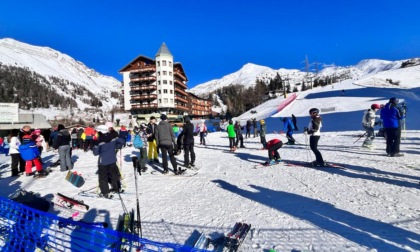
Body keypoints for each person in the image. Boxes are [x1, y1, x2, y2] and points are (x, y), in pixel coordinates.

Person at [93, 132, 125, 198]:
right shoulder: (112, 137)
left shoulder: (100, 140)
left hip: (103, 162)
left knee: (103, 177)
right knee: (114, 175)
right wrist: (117, 146)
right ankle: (116, 188)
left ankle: (105, 192)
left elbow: (95, 153)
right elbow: (121, 141)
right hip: (112, 160)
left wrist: (95, 146)